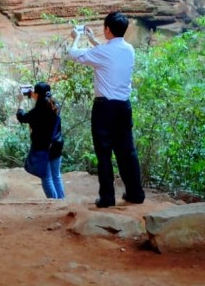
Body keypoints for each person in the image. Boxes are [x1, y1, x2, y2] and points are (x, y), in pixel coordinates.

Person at [65, 11, 145, 208]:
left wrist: (77, 38)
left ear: (107, 29)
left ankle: (107, 197)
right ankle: (136, 193)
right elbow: (107, 55)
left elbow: (73, 54)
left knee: (104, 153)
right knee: (127, 151)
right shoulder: (129, 50)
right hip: (124, 107)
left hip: (105, 108)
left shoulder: (104, 53)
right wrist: (92, 39)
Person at [16, 82, 65, 199]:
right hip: (56, 144)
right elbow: (44, 104)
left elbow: (22, 117)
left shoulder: (38, 110)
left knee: (46, 177)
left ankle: (54, 204)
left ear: (37, 95)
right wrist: (37, 96)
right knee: (56, 175)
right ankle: (62, 202)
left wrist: (21, 102)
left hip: (43, 147)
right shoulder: (55, 104)